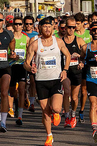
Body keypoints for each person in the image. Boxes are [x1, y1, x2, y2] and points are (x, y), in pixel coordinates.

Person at [24, 17, 71, 146]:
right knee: (45, 112)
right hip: (41, 80)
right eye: (44, 27)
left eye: (49, 27)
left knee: (56, 108)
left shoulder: (58, 42)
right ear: (40, 28)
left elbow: (68, 55)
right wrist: (30, 68)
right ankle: (49, 136)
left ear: (52, 28)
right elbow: (26, 63)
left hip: (56, 79)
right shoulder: (35, 44)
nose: (47, 29)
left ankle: (56, 112)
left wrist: (65, 70)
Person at [61, 17, 85, 128]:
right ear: (65, 28)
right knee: (66, 92)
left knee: (75, 98)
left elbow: (87, 54)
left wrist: (81, 60)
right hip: (65, 71)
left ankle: (73, 114)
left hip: (76, 71)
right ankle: (66, 116)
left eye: (73, 27)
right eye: (69, 27)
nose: (71, 29)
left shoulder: (79, 40)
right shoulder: (60, 41)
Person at [8, 16, 29, 126]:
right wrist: (11, 56)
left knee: (21, 89)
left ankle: (20, 115)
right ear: (13, 25)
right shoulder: (9, 38)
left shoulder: (26, 38)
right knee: (12, 92)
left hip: (21, 66)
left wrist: (29, 62)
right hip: (11, 66)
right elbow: (5, 53)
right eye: (16, 24)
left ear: (22, 26)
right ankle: (16, 102)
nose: (18, 26)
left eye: (20, 24)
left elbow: (30, 52)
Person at [74, 12, 91, 123]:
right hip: (74, 64)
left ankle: (81, 110)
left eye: (78, 23)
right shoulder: (72, 33)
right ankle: (72, 110)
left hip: (87, 64)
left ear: (82, 23)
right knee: (74, 91)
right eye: (75, 23)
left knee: (84, 91)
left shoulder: (89, 34)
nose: (76, 25)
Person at [23, 15, 39, 112]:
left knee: (33, 82)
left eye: (30, 24)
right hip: (22, 61)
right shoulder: (21, 34)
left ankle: (32, 103)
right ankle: (25, 97)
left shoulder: (35, 35)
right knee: (23, 84)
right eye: (26, 24)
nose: (28, 26)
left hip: (33, 61)